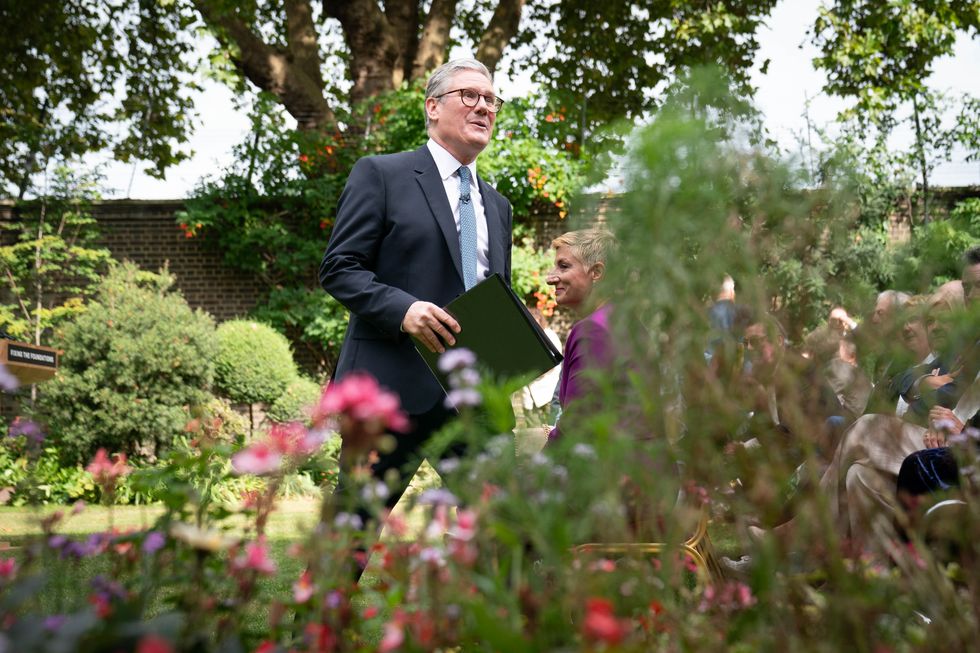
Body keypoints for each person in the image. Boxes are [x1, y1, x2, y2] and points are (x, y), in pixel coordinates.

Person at [319, 58, 512, 544]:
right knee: (351, 539)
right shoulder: (381, 175)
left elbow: (493, 293)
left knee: (500, 537)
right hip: (391, 392)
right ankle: (316, 621)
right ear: (433, 107)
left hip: (473, 403)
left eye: (491, 99)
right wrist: (403, 310)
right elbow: (339, 268)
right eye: (470, 95)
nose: (484, 107)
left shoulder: (498, 205)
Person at [544, 228, 617, 442]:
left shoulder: (593, 330)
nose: (551, 278)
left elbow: (576, 425)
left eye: (564, 266)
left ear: (596, 272)